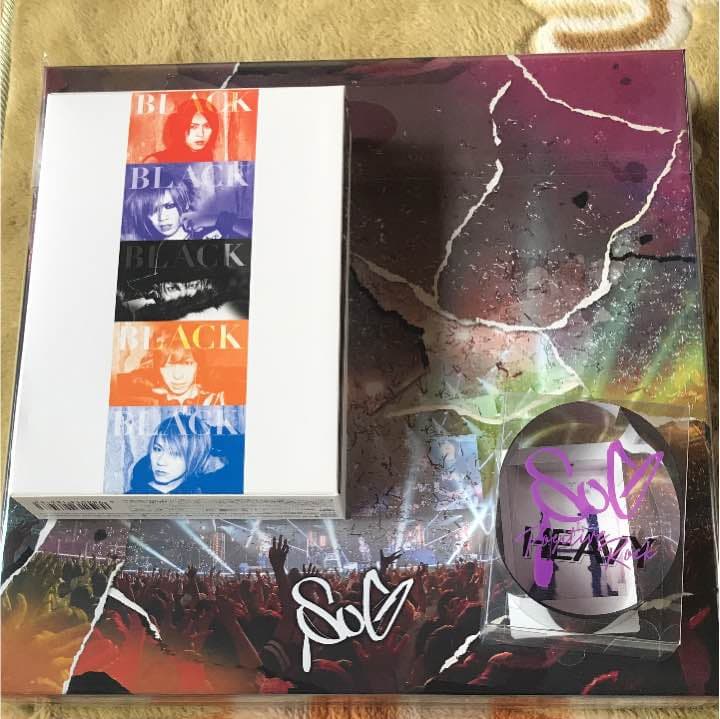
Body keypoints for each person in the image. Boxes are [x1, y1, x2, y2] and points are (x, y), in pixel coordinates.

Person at [127, 413, 243, 495]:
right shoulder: (133, 497)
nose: (160, 462)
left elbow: (243, 451)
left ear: (194, 457)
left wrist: (203, 436)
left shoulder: (207, 489)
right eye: (158, 449)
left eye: (175, 453)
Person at [113, 345, 225, 407]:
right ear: (158, 369)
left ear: (199, 365)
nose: (177, 376)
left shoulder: (217, 401)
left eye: (187, 364)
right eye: (168, 366)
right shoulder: (147, 401)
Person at [144, 98, 220, 164]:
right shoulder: (156, 161)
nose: (201, 134)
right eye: (193, 127)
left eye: (206, 126)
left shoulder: (210, 161)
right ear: (180, 128)